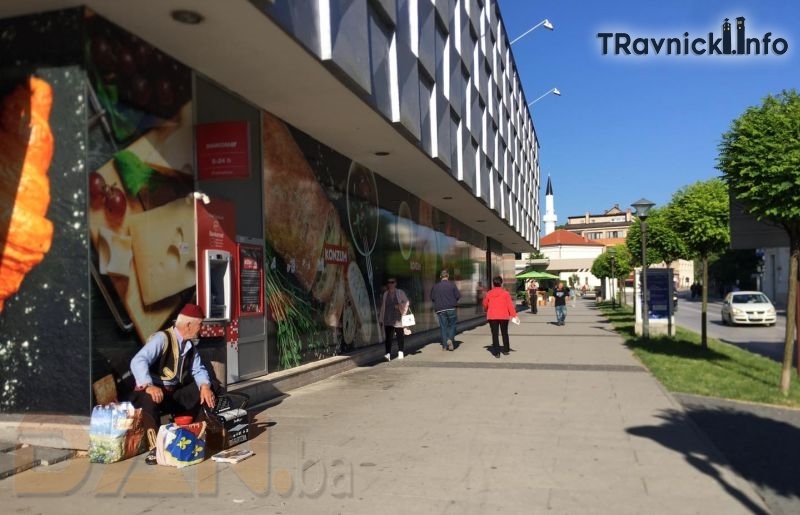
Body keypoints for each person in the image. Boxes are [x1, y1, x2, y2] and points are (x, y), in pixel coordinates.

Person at [129, 303, 216, 465]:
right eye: (200, 325)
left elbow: (199, 370)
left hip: (172, 392)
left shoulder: (190, 346)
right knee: (150, 399)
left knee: (209, 388)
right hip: (152, 389)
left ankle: (195, 433)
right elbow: (138, 360)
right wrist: (148, 385)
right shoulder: (162, 339)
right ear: (188, 325)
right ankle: (155, 448)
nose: (201, 329)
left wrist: (205, 386)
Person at [483, 276, 518, 358]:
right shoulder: (505, 293)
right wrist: (514, 315)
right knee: (504, 333)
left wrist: (486, 309)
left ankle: (497, 352)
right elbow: (510, 305)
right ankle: (506, 350)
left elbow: (485, 304)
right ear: (501, 283)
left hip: (492, 316)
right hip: (504, 315)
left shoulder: (489, 293)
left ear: (493, 283)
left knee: (494, 334)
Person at [379, 278, 410, 361]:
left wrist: (399, 305)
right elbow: (383, 307)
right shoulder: (386, 294)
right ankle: (388, 354)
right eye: (389, 282)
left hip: (398, 318)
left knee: (400, 335)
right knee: (388, 337)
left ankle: (400, 352)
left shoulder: (400, 292)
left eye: (392, 282)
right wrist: (381, 318)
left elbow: (406, 302)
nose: (390, 284)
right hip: (388, 318)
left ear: (395, 283)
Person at [430, 269, 460, 351]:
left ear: (440, 277)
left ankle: (444, 346)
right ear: (448, 276)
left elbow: (432, 298)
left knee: (443, 327)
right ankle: (450, 339)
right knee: (453, 325)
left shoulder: (436, 286)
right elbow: (458, 296)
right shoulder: (452, 285)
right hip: (451, 308)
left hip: (440, 309)